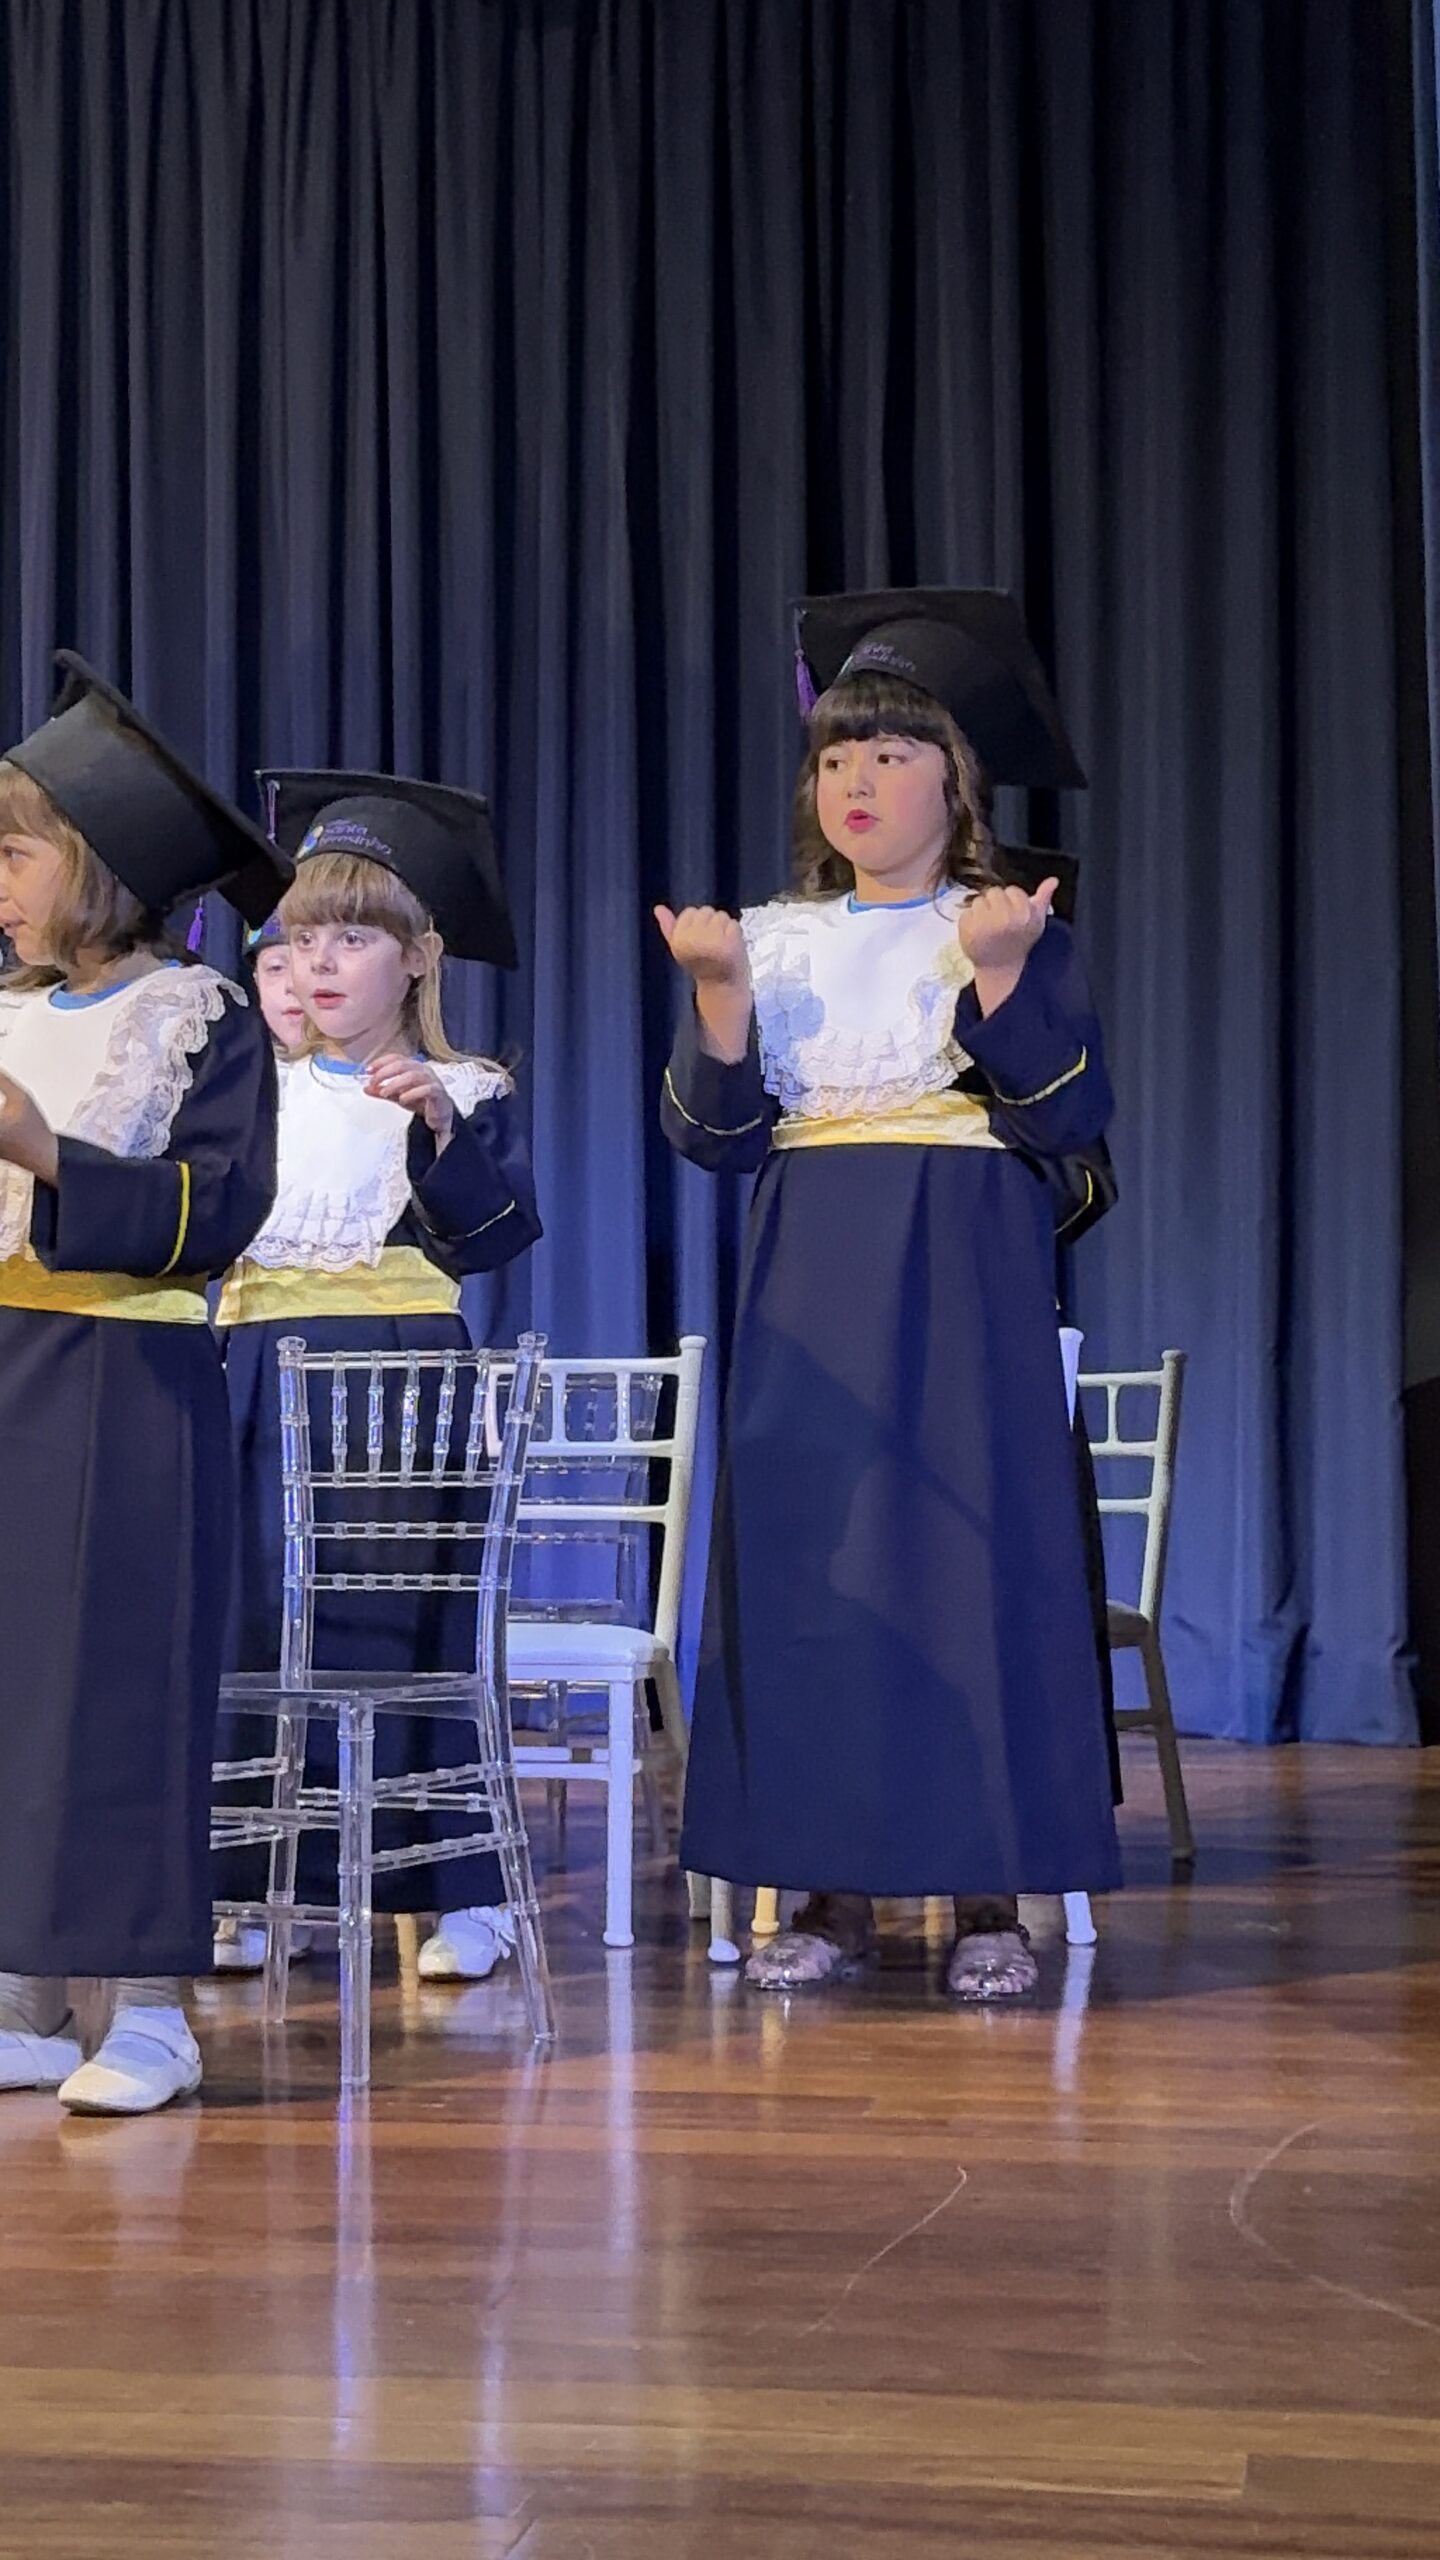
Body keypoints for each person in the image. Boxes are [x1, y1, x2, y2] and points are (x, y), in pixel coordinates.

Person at [659, 589, 1120, 1999]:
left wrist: (1000, 978)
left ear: (956, 781)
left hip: (966, 1268)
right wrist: (720, 999)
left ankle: (989, 1899)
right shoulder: (772, 938)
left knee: (975, 1568)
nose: (856, 780)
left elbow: (1071, 1118)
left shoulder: (1006, 922)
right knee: (820, 1569)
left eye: (891, 753)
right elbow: (715, 1137)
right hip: (811, 1276)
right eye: (835, 757)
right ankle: (828, 1890)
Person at [0, 653, 284, 2111]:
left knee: (117, 1686)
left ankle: (153, 2012)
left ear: (99, 864)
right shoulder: (6, 1009)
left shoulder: (201, 1016)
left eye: (16, 852)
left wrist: (48, 1154)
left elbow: (220, 1206)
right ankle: (29, 1995)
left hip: (125, 1377)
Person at [213, 771, 540, 1983]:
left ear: (417, 959)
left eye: (352, 936)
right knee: (253, 1624)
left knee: (405, 1629)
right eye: (303, 937)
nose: (320, 962)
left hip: (396, 1387)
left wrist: (439, 1130)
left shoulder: (472, 1090)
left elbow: (496, 1239)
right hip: (254, 1376)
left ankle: (454, 1890)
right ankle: (250, 1881)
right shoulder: (249, 1092)